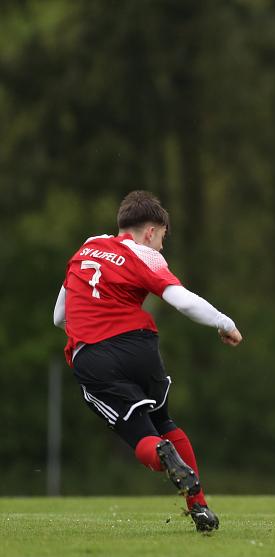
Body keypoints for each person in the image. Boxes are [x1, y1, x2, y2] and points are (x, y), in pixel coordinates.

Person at [52, 190, 243, 532]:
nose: (161, 249)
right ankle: (198, 506)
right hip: (140, 347)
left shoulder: (87, 246)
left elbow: (58, 317)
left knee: (141, 433)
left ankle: (164, 455)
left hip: (94, 355)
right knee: (165, 421)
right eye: (162, 239)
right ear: (151, 231)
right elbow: (182, 301)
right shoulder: (145, 256)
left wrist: (91, 328)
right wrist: (224, 323)